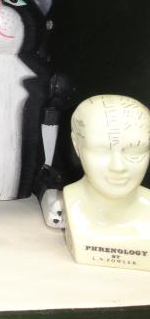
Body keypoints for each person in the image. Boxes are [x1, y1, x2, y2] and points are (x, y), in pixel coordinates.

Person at [63, 95, 150, 270]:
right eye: (101, 151)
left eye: (135, 151)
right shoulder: (73, 204)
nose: (118, 167)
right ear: (76, 145)